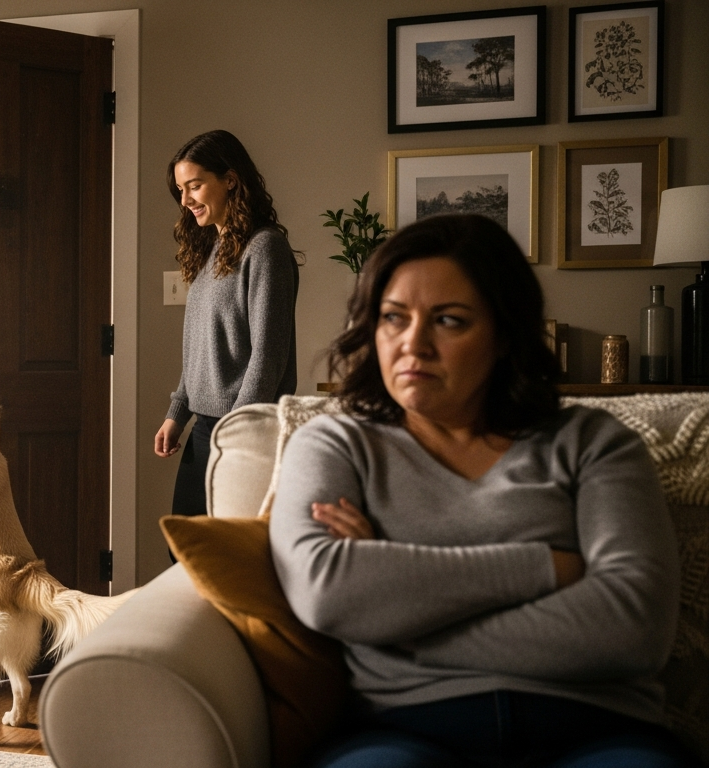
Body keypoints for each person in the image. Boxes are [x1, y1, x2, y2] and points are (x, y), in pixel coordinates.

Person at [269, 214, 691, 767]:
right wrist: (545, 567)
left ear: (504, 335)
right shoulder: (334, 444)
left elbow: (634, 626)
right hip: (402, 730)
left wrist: (391, 621)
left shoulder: (593, 443)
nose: (412, 344)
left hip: (598, 728)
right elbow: (329, 591)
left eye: (448, 320)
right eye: (394, 318)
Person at [155, 130, 299, 522]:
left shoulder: (264, 248)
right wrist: (177, 412)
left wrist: (238, 432)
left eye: (195, 186)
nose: (185, 201)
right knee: (185, 549)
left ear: (231, 180)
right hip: (205, 423)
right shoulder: (211, 251)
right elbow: (200, 347)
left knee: (225, 555)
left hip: (239, 427)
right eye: (181, 189)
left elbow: (268, 356)